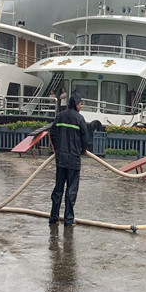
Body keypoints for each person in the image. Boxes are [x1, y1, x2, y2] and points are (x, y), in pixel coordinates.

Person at [49, 93, 88, 227]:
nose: (81, 106)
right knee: (71, 190)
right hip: (73, 160)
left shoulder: (60, 116)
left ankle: (54, 217)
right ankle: (69, 220)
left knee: (58, 189)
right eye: (80, 104)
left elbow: (52, 133)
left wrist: (57, 148)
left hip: (60, 159)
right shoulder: (79, 119)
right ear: (76, 104)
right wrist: (83, 150)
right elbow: (85, 138)